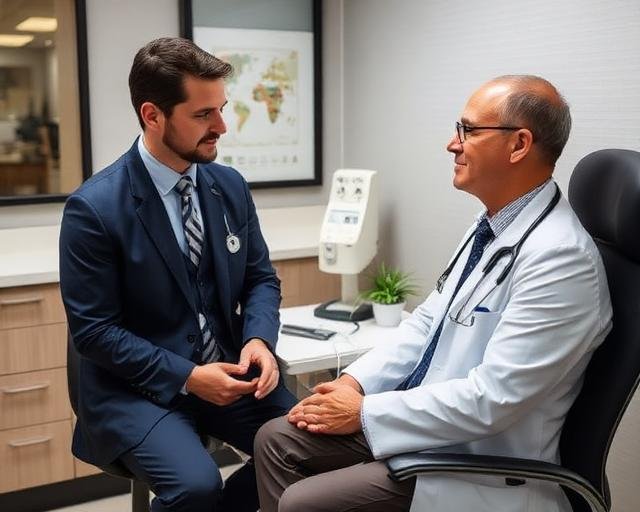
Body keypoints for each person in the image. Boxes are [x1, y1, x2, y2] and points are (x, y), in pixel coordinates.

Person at [254, 75, 612, 512]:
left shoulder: (560, 260)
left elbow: (492, 399)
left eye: (469, 130)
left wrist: (363, 413)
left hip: (478, 462)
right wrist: (352, 384)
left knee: (303, 502)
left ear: (519, 145)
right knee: (276, 439)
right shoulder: (492, 226)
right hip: (427, 426)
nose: (452, 144)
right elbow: (429, 322)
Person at [59, 37, 296, 512]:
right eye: (203, 115)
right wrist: (189, 377)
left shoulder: (228, 186)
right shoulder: (94, 208)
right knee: (195, 487)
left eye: (222, 110)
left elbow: (260, 280)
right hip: (135, 389)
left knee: (314, 446)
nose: (222, 127)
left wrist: (257, 341)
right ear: (152, 115)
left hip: (228, 371)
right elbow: (95, 332)